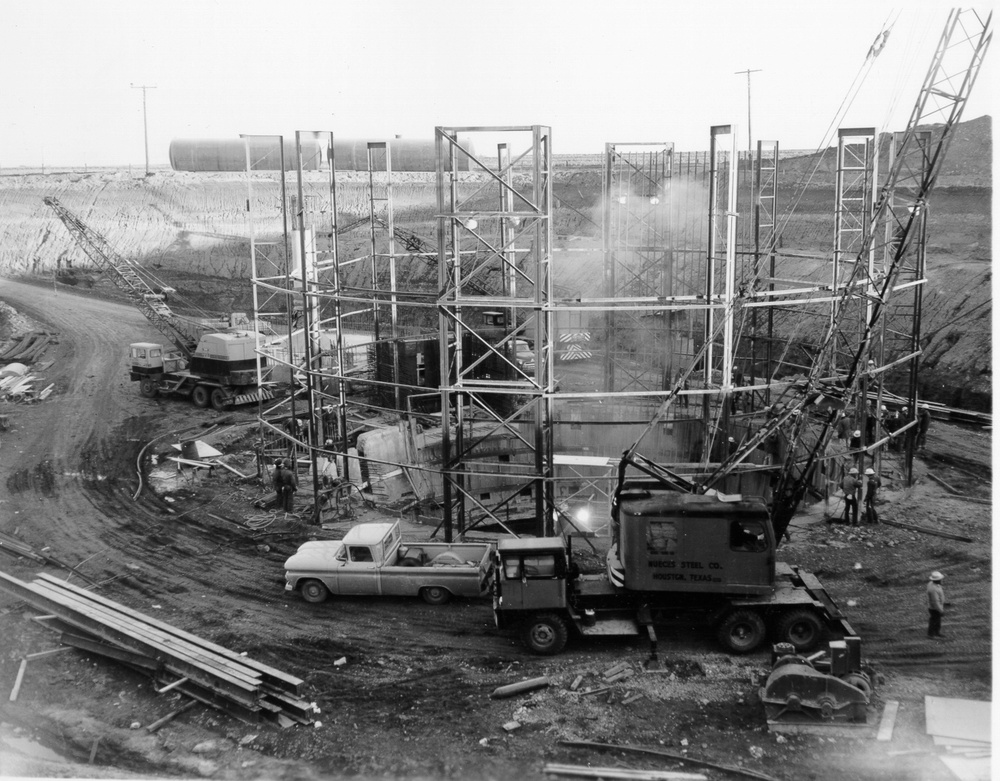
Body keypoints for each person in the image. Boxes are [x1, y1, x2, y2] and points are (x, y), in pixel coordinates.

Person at [927, 571, 945, 638]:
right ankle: (931, 634)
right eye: (940, 579)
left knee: (936, 621)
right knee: (934, 621)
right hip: (935, 608)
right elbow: (935, 602)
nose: (941, 580)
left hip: (933, 607)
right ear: (937, 580)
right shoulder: (934, 589)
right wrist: (941, 610)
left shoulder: (931, 584)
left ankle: (935, 633)